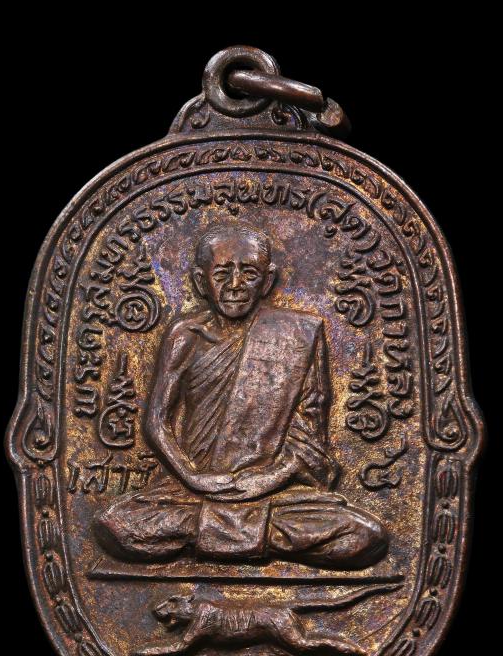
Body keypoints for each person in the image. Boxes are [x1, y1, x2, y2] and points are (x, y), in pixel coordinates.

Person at [94, 224, 388, 567]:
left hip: (273, 493)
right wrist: (193, 477)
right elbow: (156, 422)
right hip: (192, 492)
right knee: (115, 526)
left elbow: (309, 438)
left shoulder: (299, 334)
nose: (235, 285)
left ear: (267, 280)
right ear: (201, 281)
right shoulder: (185, 335)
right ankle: (256, 536)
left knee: (365, 535)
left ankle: (209, 534)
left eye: (249, 274)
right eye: (222, 274)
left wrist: (268, 479)